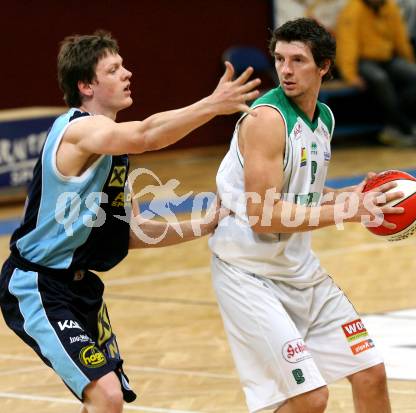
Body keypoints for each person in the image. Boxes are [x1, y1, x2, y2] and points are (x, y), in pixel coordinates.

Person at [0, 30, 260, 413]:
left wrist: (203, 224)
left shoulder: (113, 151)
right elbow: (147, 133)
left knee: (106, 402)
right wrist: (210, 104)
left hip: (81, 289)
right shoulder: (76, 131)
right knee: (107, 395)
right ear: (86, 85)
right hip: (37, 285)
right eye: (114, 69)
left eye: (123, 66)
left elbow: (134, 232)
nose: (127, 74)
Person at [209, 18, 405, 413]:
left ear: (324, 66)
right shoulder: (266, 120)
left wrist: (352, 194)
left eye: (298, 60)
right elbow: (264, 215)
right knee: (310, 399)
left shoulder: (324, 119)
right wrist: (349, 211)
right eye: (280, 58)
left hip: (300, 271)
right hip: (249, 275)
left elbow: (303, 195)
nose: (285, 69)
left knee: (371, 373)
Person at [336, 0, 416, 147]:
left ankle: (395, 127)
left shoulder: (390, 7)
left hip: (388, 58)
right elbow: (346, 44)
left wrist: (410, 62)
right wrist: (350, 75)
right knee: (379, 79)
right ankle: (405, 128)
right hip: (362, 60)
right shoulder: (353, 9)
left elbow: (401, 39)